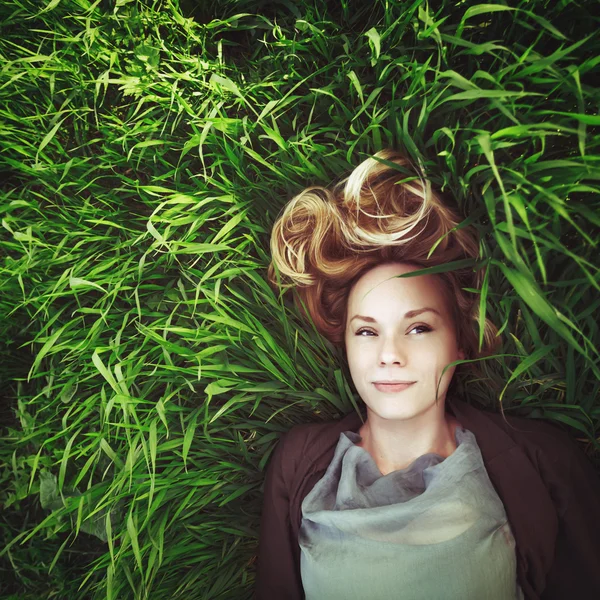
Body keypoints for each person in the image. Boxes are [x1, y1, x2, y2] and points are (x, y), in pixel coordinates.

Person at [254, 150, 600, 600]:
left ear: (458, 342)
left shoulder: (545, 459)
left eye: (418, 327)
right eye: (367, 331)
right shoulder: (299, 461)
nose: (389, 354)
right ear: (347, 346)